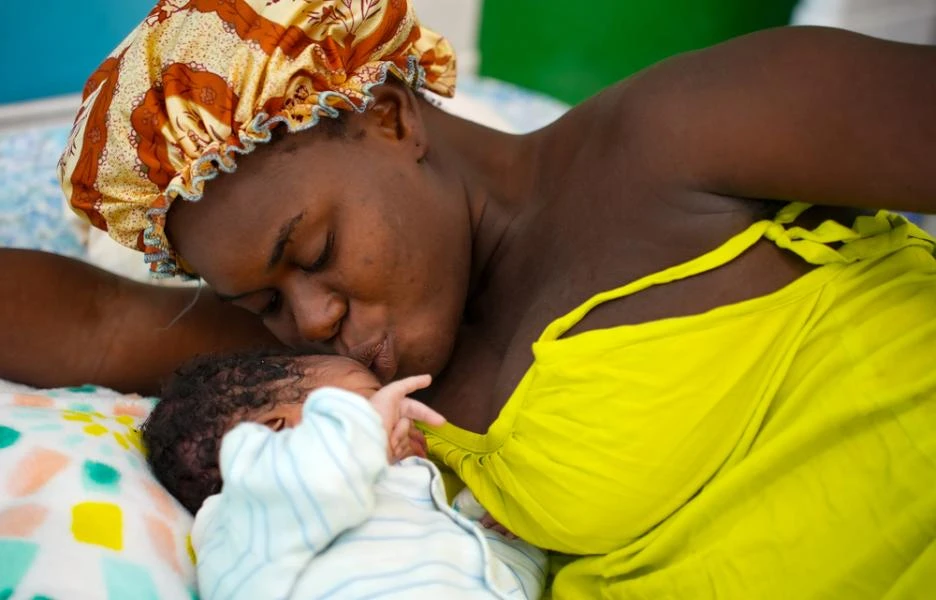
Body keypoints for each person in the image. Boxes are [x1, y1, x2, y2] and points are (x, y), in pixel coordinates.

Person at [1, 0, 933, 596]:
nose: (310, 317)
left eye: (314, 251)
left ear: (389, 117)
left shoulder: (682, 139)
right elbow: (100, 325)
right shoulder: (345, 379)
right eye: (264, 306)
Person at [143, 350, 546, 600]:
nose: (402, 417)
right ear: (275, 431)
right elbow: (317, 480)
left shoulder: (390, 497)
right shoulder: (249, 510)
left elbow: (479, 571)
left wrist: (504, 531)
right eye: (370, 401)